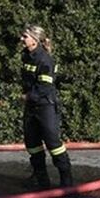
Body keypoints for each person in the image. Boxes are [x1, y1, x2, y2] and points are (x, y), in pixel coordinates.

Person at [19, 25, 73, 189]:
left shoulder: (45, 59)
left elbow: (45, 87)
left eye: (25, 36)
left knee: (53, 143)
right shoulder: (27, 56)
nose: (22, 39)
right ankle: (41, 180)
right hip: (31, 107)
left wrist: (28, 96)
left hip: (45, 106)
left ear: (35, 40)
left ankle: (66, 181)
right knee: (33, 143)